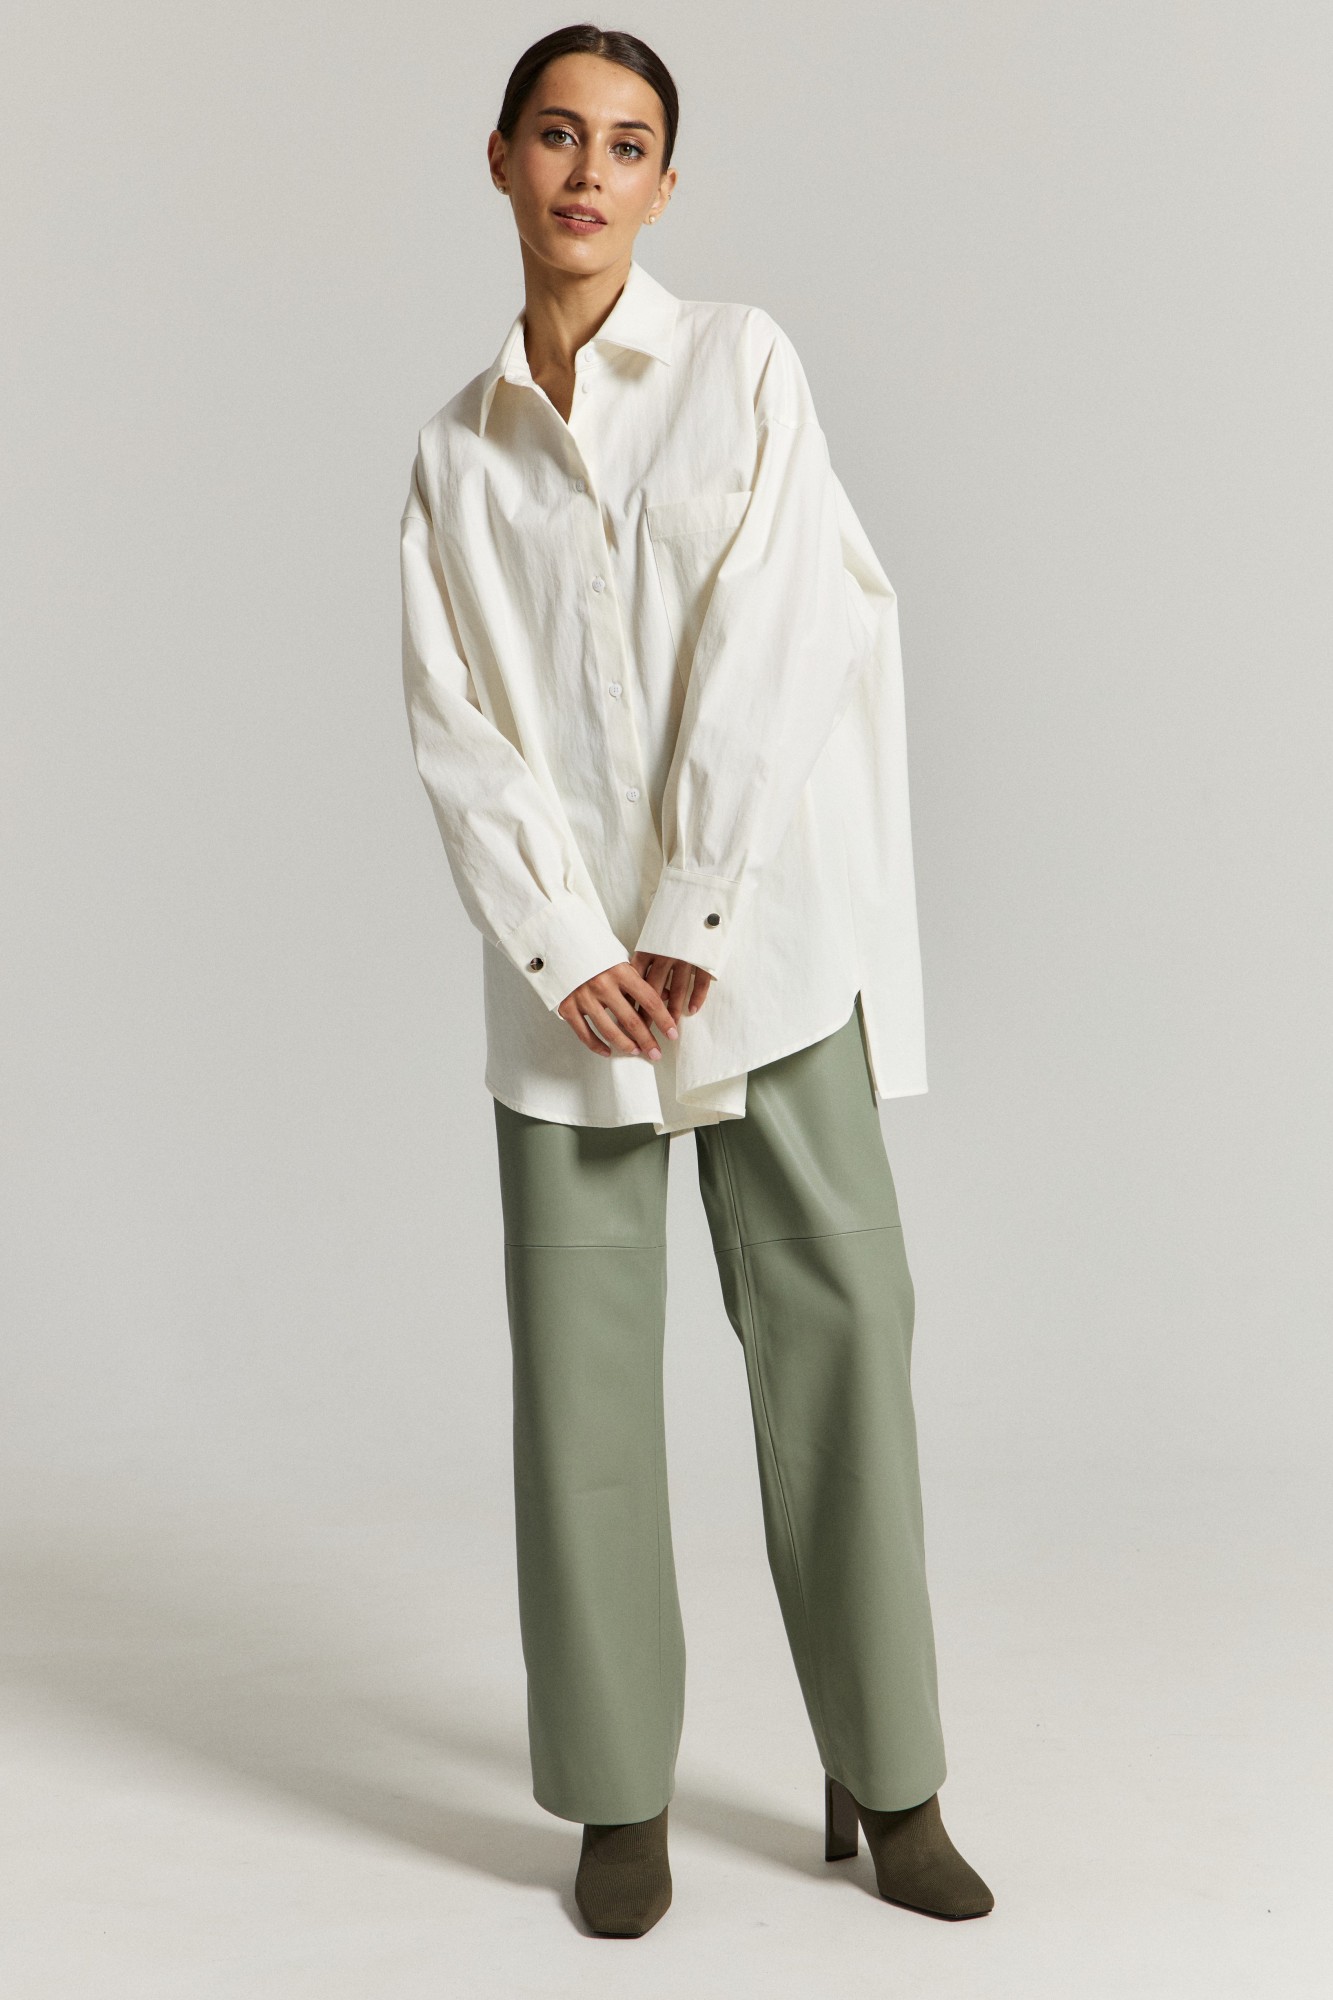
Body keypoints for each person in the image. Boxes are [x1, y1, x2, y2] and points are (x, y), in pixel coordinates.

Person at [399, 22, 994, 1939]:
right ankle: (614, 1800)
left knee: (843, 1343)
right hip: (571, 989)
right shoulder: (454, 452)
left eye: (627, 142)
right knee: (579, 1396)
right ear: (500, 158)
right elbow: (459, 730)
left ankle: (889, 1778)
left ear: (667, 183)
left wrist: (692, 909)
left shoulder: (742, 364)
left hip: (762, 953)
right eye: (557, 134)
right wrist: (574, 948)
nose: (588, 171)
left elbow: (782, 630)